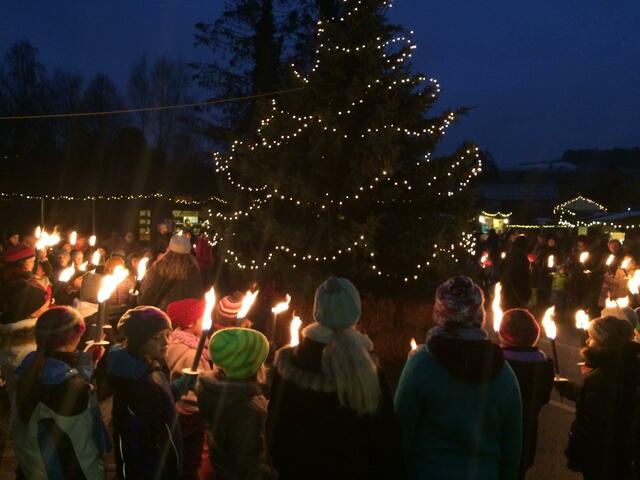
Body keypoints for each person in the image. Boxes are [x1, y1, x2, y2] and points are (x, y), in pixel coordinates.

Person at [268, 277, 403, 480]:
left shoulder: (288, 364)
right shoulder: (370, 370)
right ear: (355, 312)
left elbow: (275, 430)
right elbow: (385, 440)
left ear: (318, 311)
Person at [394, 275, 522, 479]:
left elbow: (400, 432)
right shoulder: (503, 374)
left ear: (440, 314)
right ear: (480, 316)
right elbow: (512, 446)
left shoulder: (421, 366)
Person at [11, 306, 109, 479]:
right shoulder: (69, 389)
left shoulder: (25, 371)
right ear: (75, 338)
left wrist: (85, 361)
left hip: (32, 468)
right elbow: (82, 452)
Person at [104, 306, 183, 480]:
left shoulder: (147, 367)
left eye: (168, 335)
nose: (166, 343)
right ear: (139, 342)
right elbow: (141, 442)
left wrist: (177, 389)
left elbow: (159, 405)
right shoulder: (137, 383)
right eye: (156, 338)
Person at [558, 316, 640, 479]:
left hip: (602, 460)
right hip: (623, 461)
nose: (588, 341)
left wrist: (576, 453)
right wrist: (570, 389)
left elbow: (592, 423)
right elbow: (606, 400)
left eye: (592, 337)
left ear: (604, 343)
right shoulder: (629, 367)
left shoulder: (601, 377)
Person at [197, 327, 276, 479]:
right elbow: (249, 465)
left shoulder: (214, 391)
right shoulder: (246, 410)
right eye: (261, 360)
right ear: (249, 365)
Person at [499, 309, 554, 479]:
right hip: (526, 436)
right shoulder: (544, 365)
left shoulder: (498, 364)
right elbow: (543, 398)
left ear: (504, 334)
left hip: (496, 436)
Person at [166, 298, 213, 480]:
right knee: (190, 461)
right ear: (190, 322)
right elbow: (193, 390)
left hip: (181, 411)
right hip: (191, 413)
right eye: (203, 317)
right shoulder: (191, 354)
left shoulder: (178, 341)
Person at [0, 246, 50, 392]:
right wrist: (42, 309)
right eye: (32, 261)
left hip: (7, 344)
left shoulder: (7, 282)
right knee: (26, 393)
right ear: (21, 263)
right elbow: (37, 301)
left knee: (14, 392)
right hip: (24, 347)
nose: (33, 264)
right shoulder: (20, 288)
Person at [139, 234, 203, 310]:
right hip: (185, 317)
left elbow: (145, 296)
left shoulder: (159, 268)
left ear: (169, 248)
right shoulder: (193, 270)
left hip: (161, 316)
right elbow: (197, 297)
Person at [501, 234, 532, 309]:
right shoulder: (522, 257)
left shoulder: (511, 254)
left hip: (508, 289)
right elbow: (523, 277)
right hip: (517, 289)